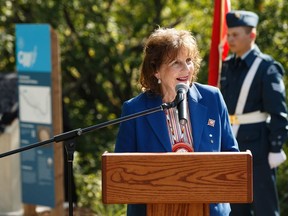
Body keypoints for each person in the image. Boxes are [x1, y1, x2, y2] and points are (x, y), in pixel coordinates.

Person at [115, 27, 239, 216]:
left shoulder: (212, 98)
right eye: (176, 63)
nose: (186, 69)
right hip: (152, 210)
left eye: (189, 61)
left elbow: (231, 156)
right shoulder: (135, 110)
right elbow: (122, 172)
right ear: (156, 70)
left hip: (210, 209)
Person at [220, 10, 288, 216]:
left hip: (259, 148)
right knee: (235, 210)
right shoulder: (228, 66)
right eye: (229, 34)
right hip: (232, 146)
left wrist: (276, 147)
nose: (230, 39)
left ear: (252, 35)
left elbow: (279, 112)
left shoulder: (267, 67)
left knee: (265, 208)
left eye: (236, 34)